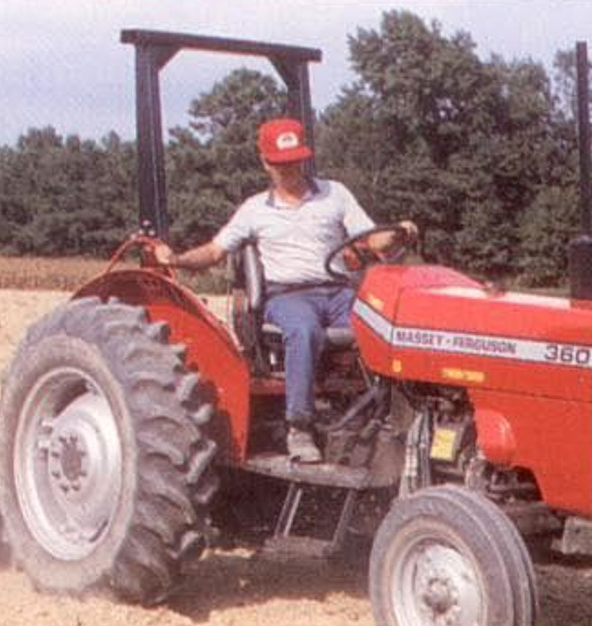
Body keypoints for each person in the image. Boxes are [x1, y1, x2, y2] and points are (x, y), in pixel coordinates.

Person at [152, 117, 417, 463]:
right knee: (303, 329)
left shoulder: (334, 194)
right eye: (281, 164)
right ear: (265, 163)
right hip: (287, 296)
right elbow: (215, 251)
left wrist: (400, 231)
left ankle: (392, 417)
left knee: (387, 323)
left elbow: (375, 240)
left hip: (338, 291)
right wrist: (177, 259)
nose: (290, 170)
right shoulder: (254, 210)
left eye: (295, 161)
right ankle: (300, 426)